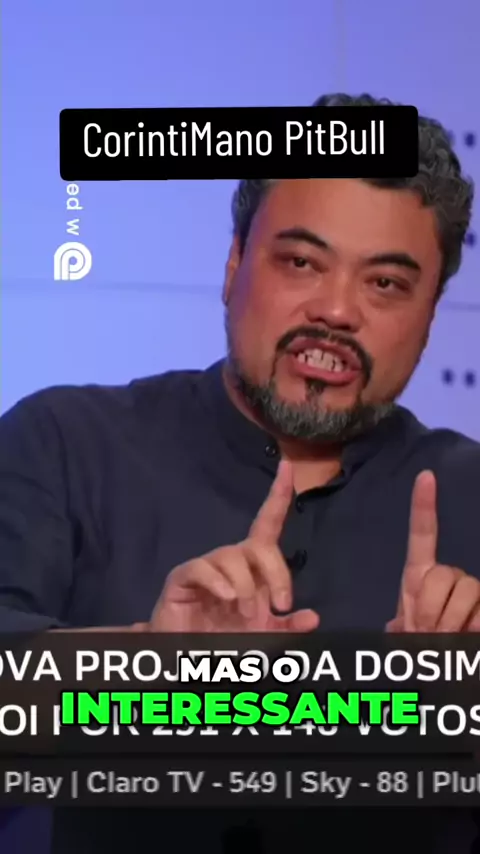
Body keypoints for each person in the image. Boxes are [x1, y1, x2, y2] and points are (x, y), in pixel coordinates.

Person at [0, 93, 478, 852]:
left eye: (386, 283)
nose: (336, 311)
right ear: (233, 266)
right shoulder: (62, 441)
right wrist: (141, 672)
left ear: (431, 313)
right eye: (301, 262)